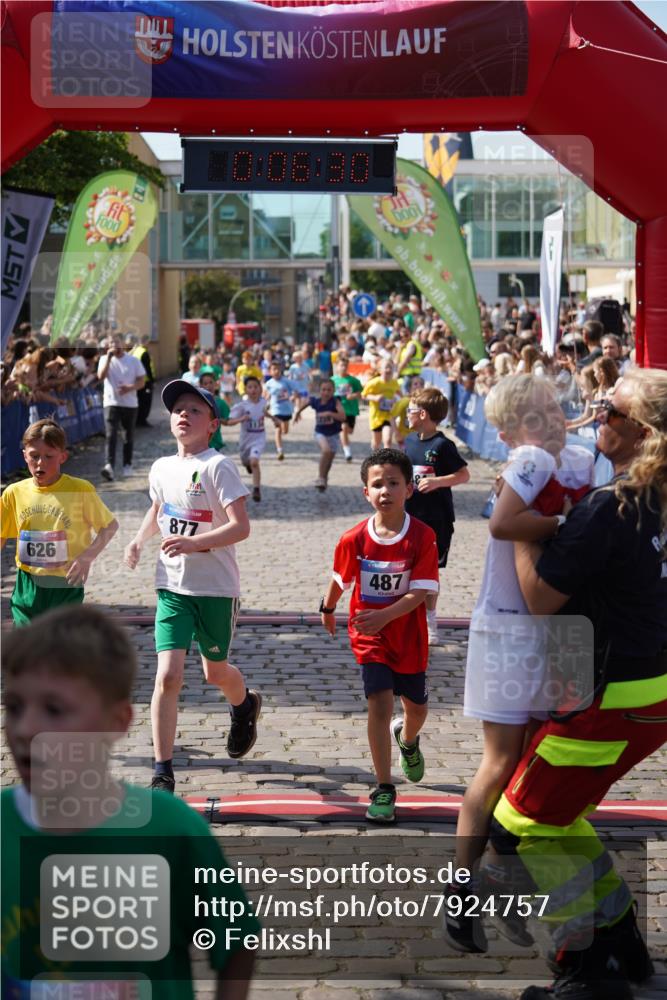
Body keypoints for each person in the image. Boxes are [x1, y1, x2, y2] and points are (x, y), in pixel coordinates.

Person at [488, 368, 667, 1000]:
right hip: (649, 691)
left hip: (606, 696)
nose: (597, 416)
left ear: (642, 433)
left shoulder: (609, 505)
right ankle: (619, 935)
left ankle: (586, 965)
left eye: (610, 411)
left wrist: (524, 526)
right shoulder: (653, 496)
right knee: (560, 817)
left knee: (521, 825)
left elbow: (540, 598)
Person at [1, 604, 257, 998]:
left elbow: (237, 937)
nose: (25, 728)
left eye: (54, 708)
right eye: (14, 707)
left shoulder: (170, 829)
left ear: (118, 721)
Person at [446, 375, 594, 954]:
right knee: (503, 762)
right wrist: (565, 524)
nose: (549, 423)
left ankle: (500, 879)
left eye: (553, 410)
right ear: (506, 435)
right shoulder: (532, 459)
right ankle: (463, 890)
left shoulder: (575, 458)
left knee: (535, 766)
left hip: (554, 630)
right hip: (511, 629)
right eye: (533, 419)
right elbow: (503, 524)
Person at [124, 380, 261, 794]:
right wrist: (139, 539)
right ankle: (162, 770)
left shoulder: (218, 466)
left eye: (195, 410)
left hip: (216, 589)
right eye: (178, 409)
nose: (184, 414)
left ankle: (244, 705)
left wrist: (194, 543)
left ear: (213, 424)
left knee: (215, 672)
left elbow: (241, 527)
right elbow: (158, 508)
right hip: (171, 586)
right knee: (168, 676)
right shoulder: (161, 467)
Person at [320, 448, 440, 822]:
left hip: (408, 636)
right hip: (369, 635)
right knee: (379, 702)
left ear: (409, 489)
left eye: (393, 483)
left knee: (416, 708)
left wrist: (385, 616)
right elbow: (340, 579)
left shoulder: (422, 536)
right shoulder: (353, 538)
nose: (385, 490)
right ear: (365, 493)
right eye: (377, 484)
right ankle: (384, 787)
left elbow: (419, 593)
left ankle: (408, 738)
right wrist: (328, 608)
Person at [1, 419, 119, 625]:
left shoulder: (80, 489)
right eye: (34, 456)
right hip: (27, 584)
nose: (40, 463)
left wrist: (86, 558)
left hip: (65, 583)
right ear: (24, 455)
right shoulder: (14, 493)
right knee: (27, 641)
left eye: (49, 456)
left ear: (63, 456)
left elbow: (109, 526)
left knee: (59, 641)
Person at [404, 387, 470, 645]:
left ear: (422, 414)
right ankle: (409, 618)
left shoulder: (443, 445)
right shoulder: (410, 441)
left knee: (428, 571)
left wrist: (437, 482)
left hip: (436, 519)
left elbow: (464, 475)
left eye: (410, 411)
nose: (406, 415)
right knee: (407, 569)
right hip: (409, 516)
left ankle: (430, 621)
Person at [97, 334, 146, 480]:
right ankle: (109, 466)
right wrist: (108, 358)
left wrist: (130, 388)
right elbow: (100, 376)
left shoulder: (133, 360)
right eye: (112, 343)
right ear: (108, 345)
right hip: (111, 402)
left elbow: (142, 381)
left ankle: (127, 465)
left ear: (123, 343)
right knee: (110, 435)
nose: (115, 345)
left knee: (127, 436)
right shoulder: (104, 359)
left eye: (117, 342)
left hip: (130, 404)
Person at [294, 377, 346, 491]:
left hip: (333, 434)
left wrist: (330, 414)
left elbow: (343, 417)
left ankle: (324, 477)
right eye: (323, 390)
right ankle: (320, 477)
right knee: (326, 451)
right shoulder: (316, 401)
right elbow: (307, 402)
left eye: (329, 390)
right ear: (319, 390)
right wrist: (298, 412)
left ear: (333, 391)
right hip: (320, 432)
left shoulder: (335, 402)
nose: (326, 393)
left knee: (329, 459)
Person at [230, 375, 275, 502]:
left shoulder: (264, 403)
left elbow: (265, 412)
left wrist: (275, 419)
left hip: (259, 438)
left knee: (254, 461)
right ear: (245, 389)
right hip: (245, 440)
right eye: (250, 387)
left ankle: (256, 489)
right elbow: (230, 421)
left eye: (256, 387)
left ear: (260, 389)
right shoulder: (242, 406)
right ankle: (248, 464)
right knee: (246, 461)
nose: (253, 390)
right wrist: (241, 419)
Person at [361, 359, 402, 448]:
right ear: (380, 370)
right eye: (386, 367)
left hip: (388, 415)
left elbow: (400, 394)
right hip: (376, 416)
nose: (389, 369)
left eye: (390, 367)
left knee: (387, 440)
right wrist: (375, 398)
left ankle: (386, 456)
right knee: (376, 443)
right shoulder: (374, 383)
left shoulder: (394, 382)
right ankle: (375, 454)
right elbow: (363, 395)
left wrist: (397, 400)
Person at [332, 355, 363, 462]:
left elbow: (361, 393)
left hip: (351, 410)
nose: (343, 367)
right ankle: (347, 453)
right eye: (341, 365)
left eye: (345, 365)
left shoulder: (353, 380)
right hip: (338, 410)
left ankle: (343, 440)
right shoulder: (333, 380)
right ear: (337, 366)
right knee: (343, 428)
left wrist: (354, 395)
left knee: (349, 431)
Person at [263, 360, 295, 460]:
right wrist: (265, 403)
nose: (276, 371)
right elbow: (265, 395)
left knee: (285, 430)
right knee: (278, 429)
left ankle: (281, 438)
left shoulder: (286, 381)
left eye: (278, 369)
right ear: (270, 372)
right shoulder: (269, 383)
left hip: (286, 409)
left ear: (281, 370)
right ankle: (280, 451)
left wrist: (293, 396)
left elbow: (294, 391)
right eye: (274, 369)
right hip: (276, 410)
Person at [132, 333, 156, 427]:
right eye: (148, 342)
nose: (149, 344)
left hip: (136, 381)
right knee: (146, 402)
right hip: (146, 382)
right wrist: (152, 381)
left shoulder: (136, 351)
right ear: (145, 342)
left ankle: (137, 420)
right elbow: (147, 369)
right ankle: (142, 420)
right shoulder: (144, 353)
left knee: (139, 401)